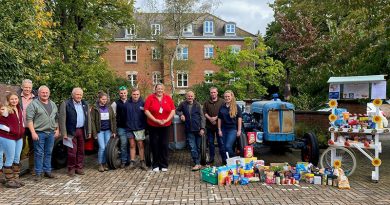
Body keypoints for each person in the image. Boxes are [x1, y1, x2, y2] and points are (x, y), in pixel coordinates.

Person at [26, 86, 59, 181]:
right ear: (38, 93)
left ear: (49, 93)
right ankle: (38, 173)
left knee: (48, 152)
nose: (45, 94)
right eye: (43, 92)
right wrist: (33, 132)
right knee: (39, 153)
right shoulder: (33, 104)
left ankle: (47, 171)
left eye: (46, 92)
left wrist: (57, 129)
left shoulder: (53, 104)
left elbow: (56, 118)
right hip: (39, 133)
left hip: (51, 133)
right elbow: (29, 119)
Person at [59, 87, 91, 177]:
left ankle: (79, 167)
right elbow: (62, 119)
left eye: (80, 94)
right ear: (72, 95)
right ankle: (71, 168)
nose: (79, 96)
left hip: (82, 130)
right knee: (72, 151)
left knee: (81, 151)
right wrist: (64, 133)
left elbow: (88, 118)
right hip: (70, 131)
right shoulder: (66, 104)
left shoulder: (85, 104)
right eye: (77, 94)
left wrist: (89, 131)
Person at [144, 83, 175, 172]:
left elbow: (173, 110)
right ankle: (155, 164)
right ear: (155, 89)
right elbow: (146, 111)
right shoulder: (150, 98)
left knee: (164, 144)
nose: (160, 90)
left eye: (161, 89)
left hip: (165, 125)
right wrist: (155, 120)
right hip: (153, 125)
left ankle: (164, 164)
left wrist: (166, 120)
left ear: (163, 90)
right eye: (158, 88)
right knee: (154, 144)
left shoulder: (168, 98)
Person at [0, 93, 25, 188]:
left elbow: (21, 122)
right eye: (12, 99)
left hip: (18, 137)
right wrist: (11, 130)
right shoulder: (5, 110)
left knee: (17, 158)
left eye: (16, 99)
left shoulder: (19, 108)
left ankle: (15, 178)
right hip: (8, 137)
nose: (14, 101)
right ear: (8, 100)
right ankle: (9, 180)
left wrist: (22, 129)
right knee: (10, 158)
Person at [176, 91, 205, 171]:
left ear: (194, 97)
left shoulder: (198, 105)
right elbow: (177, 110)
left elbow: (202, 117)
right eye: (188, 96)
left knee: (198, 147)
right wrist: (181, 114)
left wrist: (202, 128)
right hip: (189, 129)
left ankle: (198, 162)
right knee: (192, 147)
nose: (190, 97)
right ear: (186, 96)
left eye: (191, 96)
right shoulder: (183, 104)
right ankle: (196, 163)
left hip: (198, 129)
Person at [91, 91, 116, 172]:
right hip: (100, 131)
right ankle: (100, 164)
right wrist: (94, 133)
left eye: (105, 99)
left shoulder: (109, 107)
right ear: (99, 99)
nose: (104, 100)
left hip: (108, 130)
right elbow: (92, 121)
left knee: (107, 148)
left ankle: (105, 163)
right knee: (102, 147)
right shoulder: (95, 108)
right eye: (103, 99)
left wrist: (114, 131)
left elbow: (113, 119)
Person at [125, 88, 147, 170]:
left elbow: (146, 115)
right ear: (131, 94)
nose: (136, 96)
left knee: (140, 145)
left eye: (137, 94)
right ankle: (132, 162)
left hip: (140, 128)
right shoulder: (127, 103)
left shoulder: (143, 103)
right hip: (130, 128)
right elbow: (124, 116)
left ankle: (142, 162)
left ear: (139, 94)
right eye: (134, 94)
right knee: (132, 145)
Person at [217, 90, 242, 164]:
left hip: (232, 129)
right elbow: (219, 119)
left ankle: (235, 160)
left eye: (228, 96)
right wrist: (219, 130)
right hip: (224, 129)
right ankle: (226, 163)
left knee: (228, 146)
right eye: (225, 96)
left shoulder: (236, 107)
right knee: (223, 148)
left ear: (231, 97)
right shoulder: (222, 107)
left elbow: (239, 119)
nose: (227, 98)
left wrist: (239, 130)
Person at [18, 79, 37, 175]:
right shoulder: (17, 96)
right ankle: (16, 166)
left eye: (29, 87)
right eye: (25, 87)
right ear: (22, 87)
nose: (27, 89)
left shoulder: (36, 98)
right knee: (20, 146)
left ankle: (32, 167)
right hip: (20, 125)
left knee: (33, 146)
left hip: (33, 126)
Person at [203, 87, 225, 165]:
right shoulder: (206, 102)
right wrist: (210, 119)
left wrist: (215, 118)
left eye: (214, 92)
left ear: (217, 92)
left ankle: (224, 159)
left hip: (219, 127)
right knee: (211, 143)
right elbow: (204, 112)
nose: (213, 94)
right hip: (209, 126)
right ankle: (211, 159)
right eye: (211, 92)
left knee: (221, 143)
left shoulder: (222, 101)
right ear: (210, 93)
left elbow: (223, 112)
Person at [111, 86, 130, 168]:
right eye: (121, 93)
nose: (123, 94)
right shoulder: (115, 104)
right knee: (123, 144)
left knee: (131, 144)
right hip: (121, 127)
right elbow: (112, 117)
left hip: (130, 127)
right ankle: (124, 160)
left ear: (127, 93)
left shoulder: (130, 102)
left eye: (124, 93)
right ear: (119, 93)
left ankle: (130, 160)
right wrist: (114, 129)